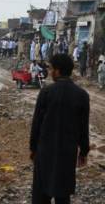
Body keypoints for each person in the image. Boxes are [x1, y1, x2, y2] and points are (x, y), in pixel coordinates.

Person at [30, 55, 90, 204]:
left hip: (45, 150)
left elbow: (36, 123)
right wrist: (83, 150)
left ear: (57, 71)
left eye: (51, 68)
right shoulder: (82, 95)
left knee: (41, 193)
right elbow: (83, 127)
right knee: (63, 193)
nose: (50, 72)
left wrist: (33, 147)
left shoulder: (46, 92)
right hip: (67, 152)